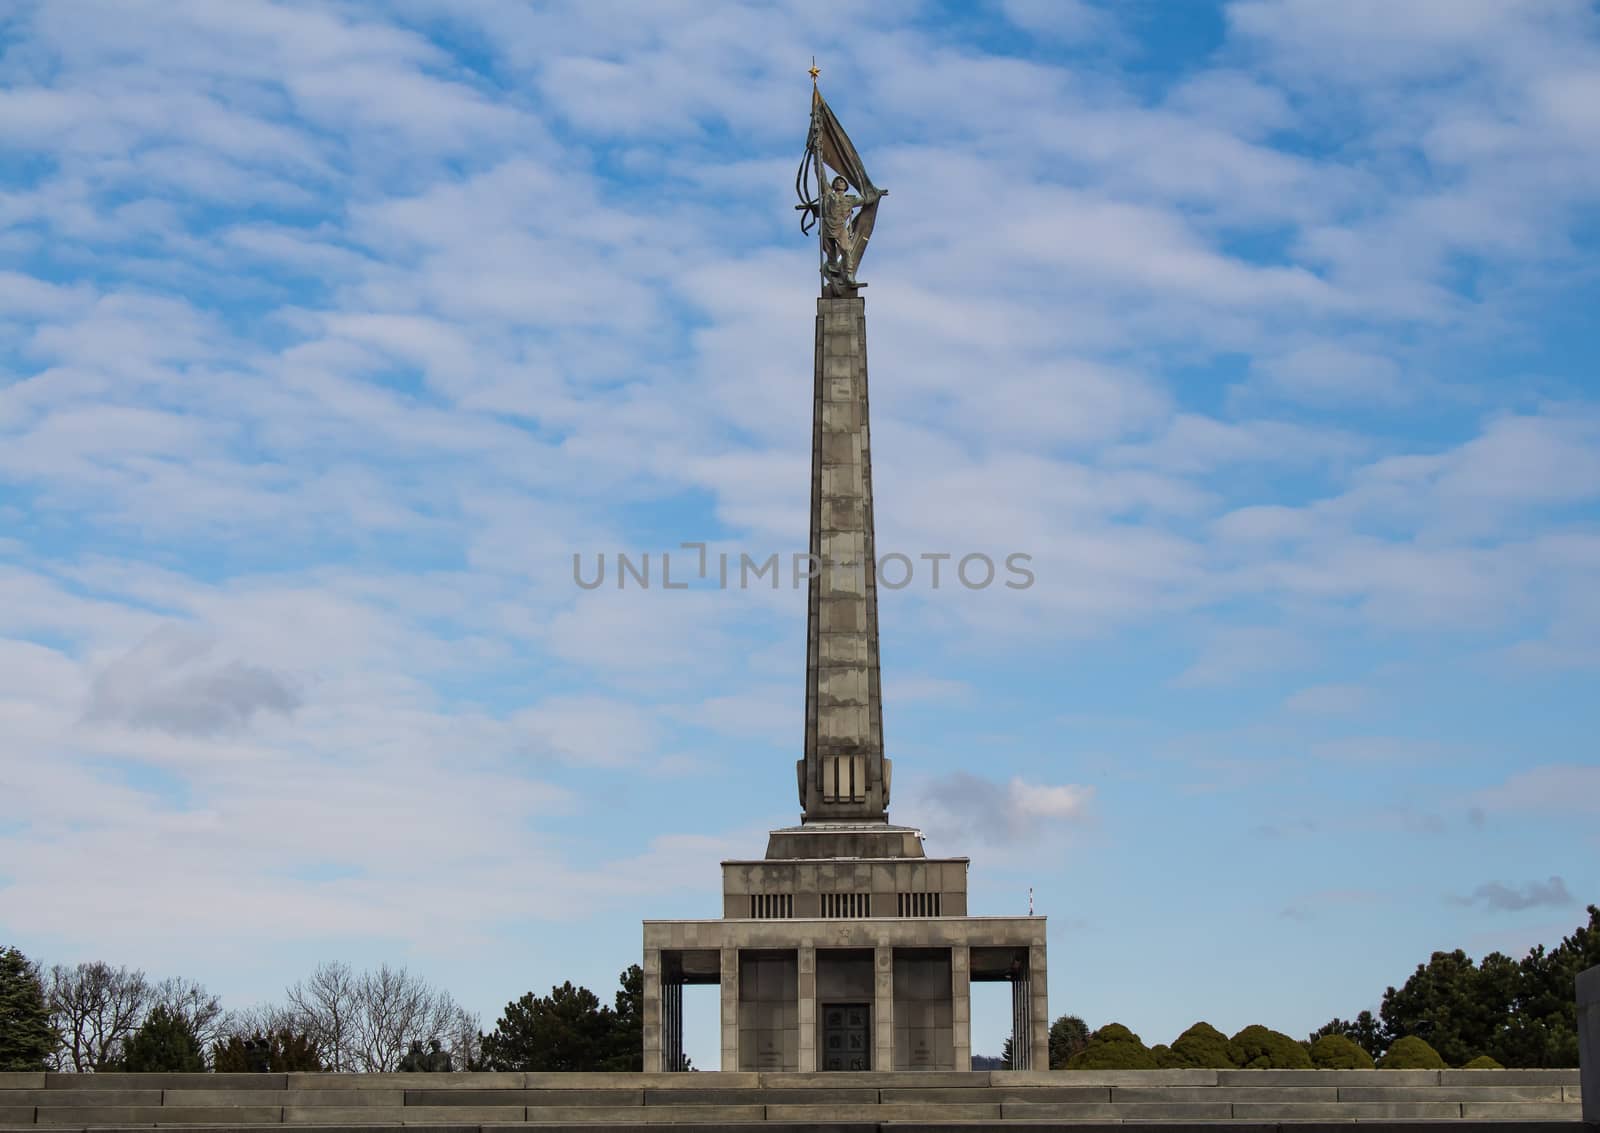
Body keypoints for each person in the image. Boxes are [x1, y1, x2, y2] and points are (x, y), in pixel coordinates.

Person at [819, 174, 886, 286]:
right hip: (828, 227)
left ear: (846, 186)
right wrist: (818, 162)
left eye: (842, 181)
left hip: (840, 227)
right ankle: (833, 275)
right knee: (831, 256)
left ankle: (848, 274)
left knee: (846, 250)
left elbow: (866, 200)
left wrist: (877, 194)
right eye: (837, 180)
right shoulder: (828, 195)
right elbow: (821, 178)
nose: (839, 182)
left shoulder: (850, 200)